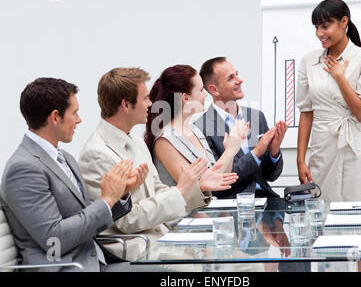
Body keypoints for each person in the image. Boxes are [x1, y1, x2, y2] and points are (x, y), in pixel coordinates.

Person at [78, 67, 230, 262]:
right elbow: (128, 220)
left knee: (226, 258)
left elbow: (158, 191)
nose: (150, 104)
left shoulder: (135, 141)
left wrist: (194, 187)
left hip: (160, 238)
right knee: (212, 266)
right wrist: (182, 190)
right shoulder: (96, 154)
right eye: (145, 99)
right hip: (137, 248)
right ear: (125, 104)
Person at [0, 77, 151, 272]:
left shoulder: (66, 158)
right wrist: (106, 199)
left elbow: (85, 214)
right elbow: (54, 239)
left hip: (94, 262)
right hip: (70, 267)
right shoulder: (23, 168)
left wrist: (119, 195)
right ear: (55, 117)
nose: (79, 119)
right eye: (75, 112)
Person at [296, 0, 361, 199]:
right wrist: (300, 160)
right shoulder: (309, 60)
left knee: (360, 215)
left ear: (344, 22)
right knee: (322, 214)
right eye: (316, 27)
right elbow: (306, 112)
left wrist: (340, 77)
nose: (320, 34)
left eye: (325, 26)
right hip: (322, 149)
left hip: (356, 150)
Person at [195, 57, 287, 199]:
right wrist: (256, 153)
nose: (240, 80)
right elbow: (218, 186)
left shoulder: (256, 116)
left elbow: (271, 176)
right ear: (214, 89)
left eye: (237, 74)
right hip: (233, 206)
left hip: (267, 200)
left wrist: (274, 152)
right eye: (231, 78)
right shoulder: (201, 128)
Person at [145, 64, 246, 189]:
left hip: (206, 207)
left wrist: (230, 150)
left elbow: (222, 178)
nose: (206, 95)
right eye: (201, 90)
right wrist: (230, 151)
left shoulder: (194, 130)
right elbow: (194, 188)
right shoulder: (164, 141)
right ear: (185, 98)